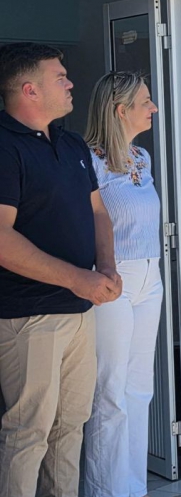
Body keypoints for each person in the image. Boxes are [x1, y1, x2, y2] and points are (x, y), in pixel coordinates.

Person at [0, 43, 121, 497]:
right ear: (30, 89)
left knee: (71, 425)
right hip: (28, 314)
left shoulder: (71, 144)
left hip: (79, 309)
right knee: (27, 431)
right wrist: (79, 278)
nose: (71, 83)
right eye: (60, 77)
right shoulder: (4, 147)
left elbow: (98, 212)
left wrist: (105, 267)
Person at [81, 72, 164, 497]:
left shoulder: (141, 158)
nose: (153, 108)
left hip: (151, 276)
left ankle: (133, 488)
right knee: (110, 391)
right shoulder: (88, 161)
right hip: (113, 278)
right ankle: (105, 490)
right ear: (120, 110)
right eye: (145, 101)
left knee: (139, 388)